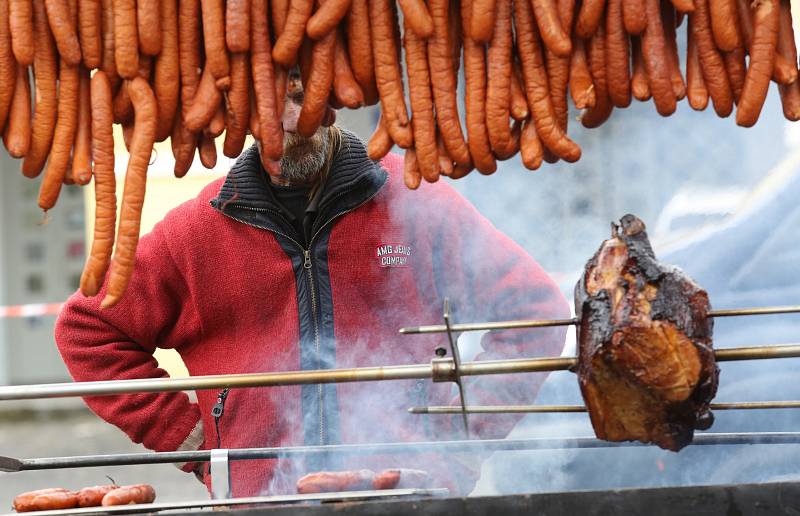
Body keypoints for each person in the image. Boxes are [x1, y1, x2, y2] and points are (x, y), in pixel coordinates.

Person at [55, 72, 570, 498]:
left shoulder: (416, 202)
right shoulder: (196, 232)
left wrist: (460, 433)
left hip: (415, 492)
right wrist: (192, 438)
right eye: (264, 105)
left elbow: (536, 313)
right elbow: (85, 328)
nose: (284, 121)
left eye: (298, 97)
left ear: (332, 99)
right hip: (260, 501)